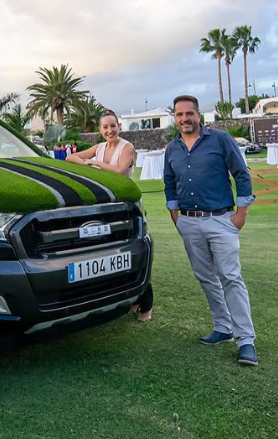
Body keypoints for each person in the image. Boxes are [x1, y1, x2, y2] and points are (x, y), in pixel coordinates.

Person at [164, 95, 258, 366]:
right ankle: (223, 327)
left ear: (198, 114)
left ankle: (246, 340)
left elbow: (241, 174)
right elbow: (169, 182)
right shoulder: (173, 148)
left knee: (230, 277)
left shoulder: (220, 140)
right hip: (189, 222)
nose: (185, 119)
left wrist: (241, 213)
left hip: (221, 220)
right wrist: (176, 217)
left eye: (189, 113)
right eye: (180, 114)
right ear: (175, 117)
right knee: (205, 276)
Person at [66, 110, 154, 322]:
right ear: (100, 129)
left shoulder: (127, 148)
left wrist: (95, 164)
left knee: (137, 252)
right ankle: (130, 300)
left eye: (112, 126)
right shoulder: (99, 147)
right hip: (107, 207)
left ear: (119, 126)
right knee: (113, 255)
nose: (109, 130)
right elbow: (70, 157)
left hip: (128, 206)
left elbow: (119, 171)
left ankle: (146, 307)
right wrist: (87, 162)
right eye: (105, 127)